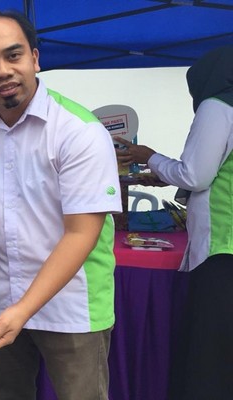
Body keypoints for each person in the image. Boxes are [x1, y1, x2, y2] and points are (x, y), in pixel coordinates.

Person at [0, 10, 122, 400]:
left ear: (35, 58)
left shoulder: (79, 131)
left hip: (71, 306)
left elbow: (81, 234)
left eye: (13, 55)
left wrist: (23, 309)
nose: (3, 70)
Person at [115, 46, 233, 400]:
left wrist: (148, 156)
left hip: (221, 248)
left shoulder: (218, 105)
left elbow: (196, 174)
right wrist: (167, 174)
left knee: (209, 355)